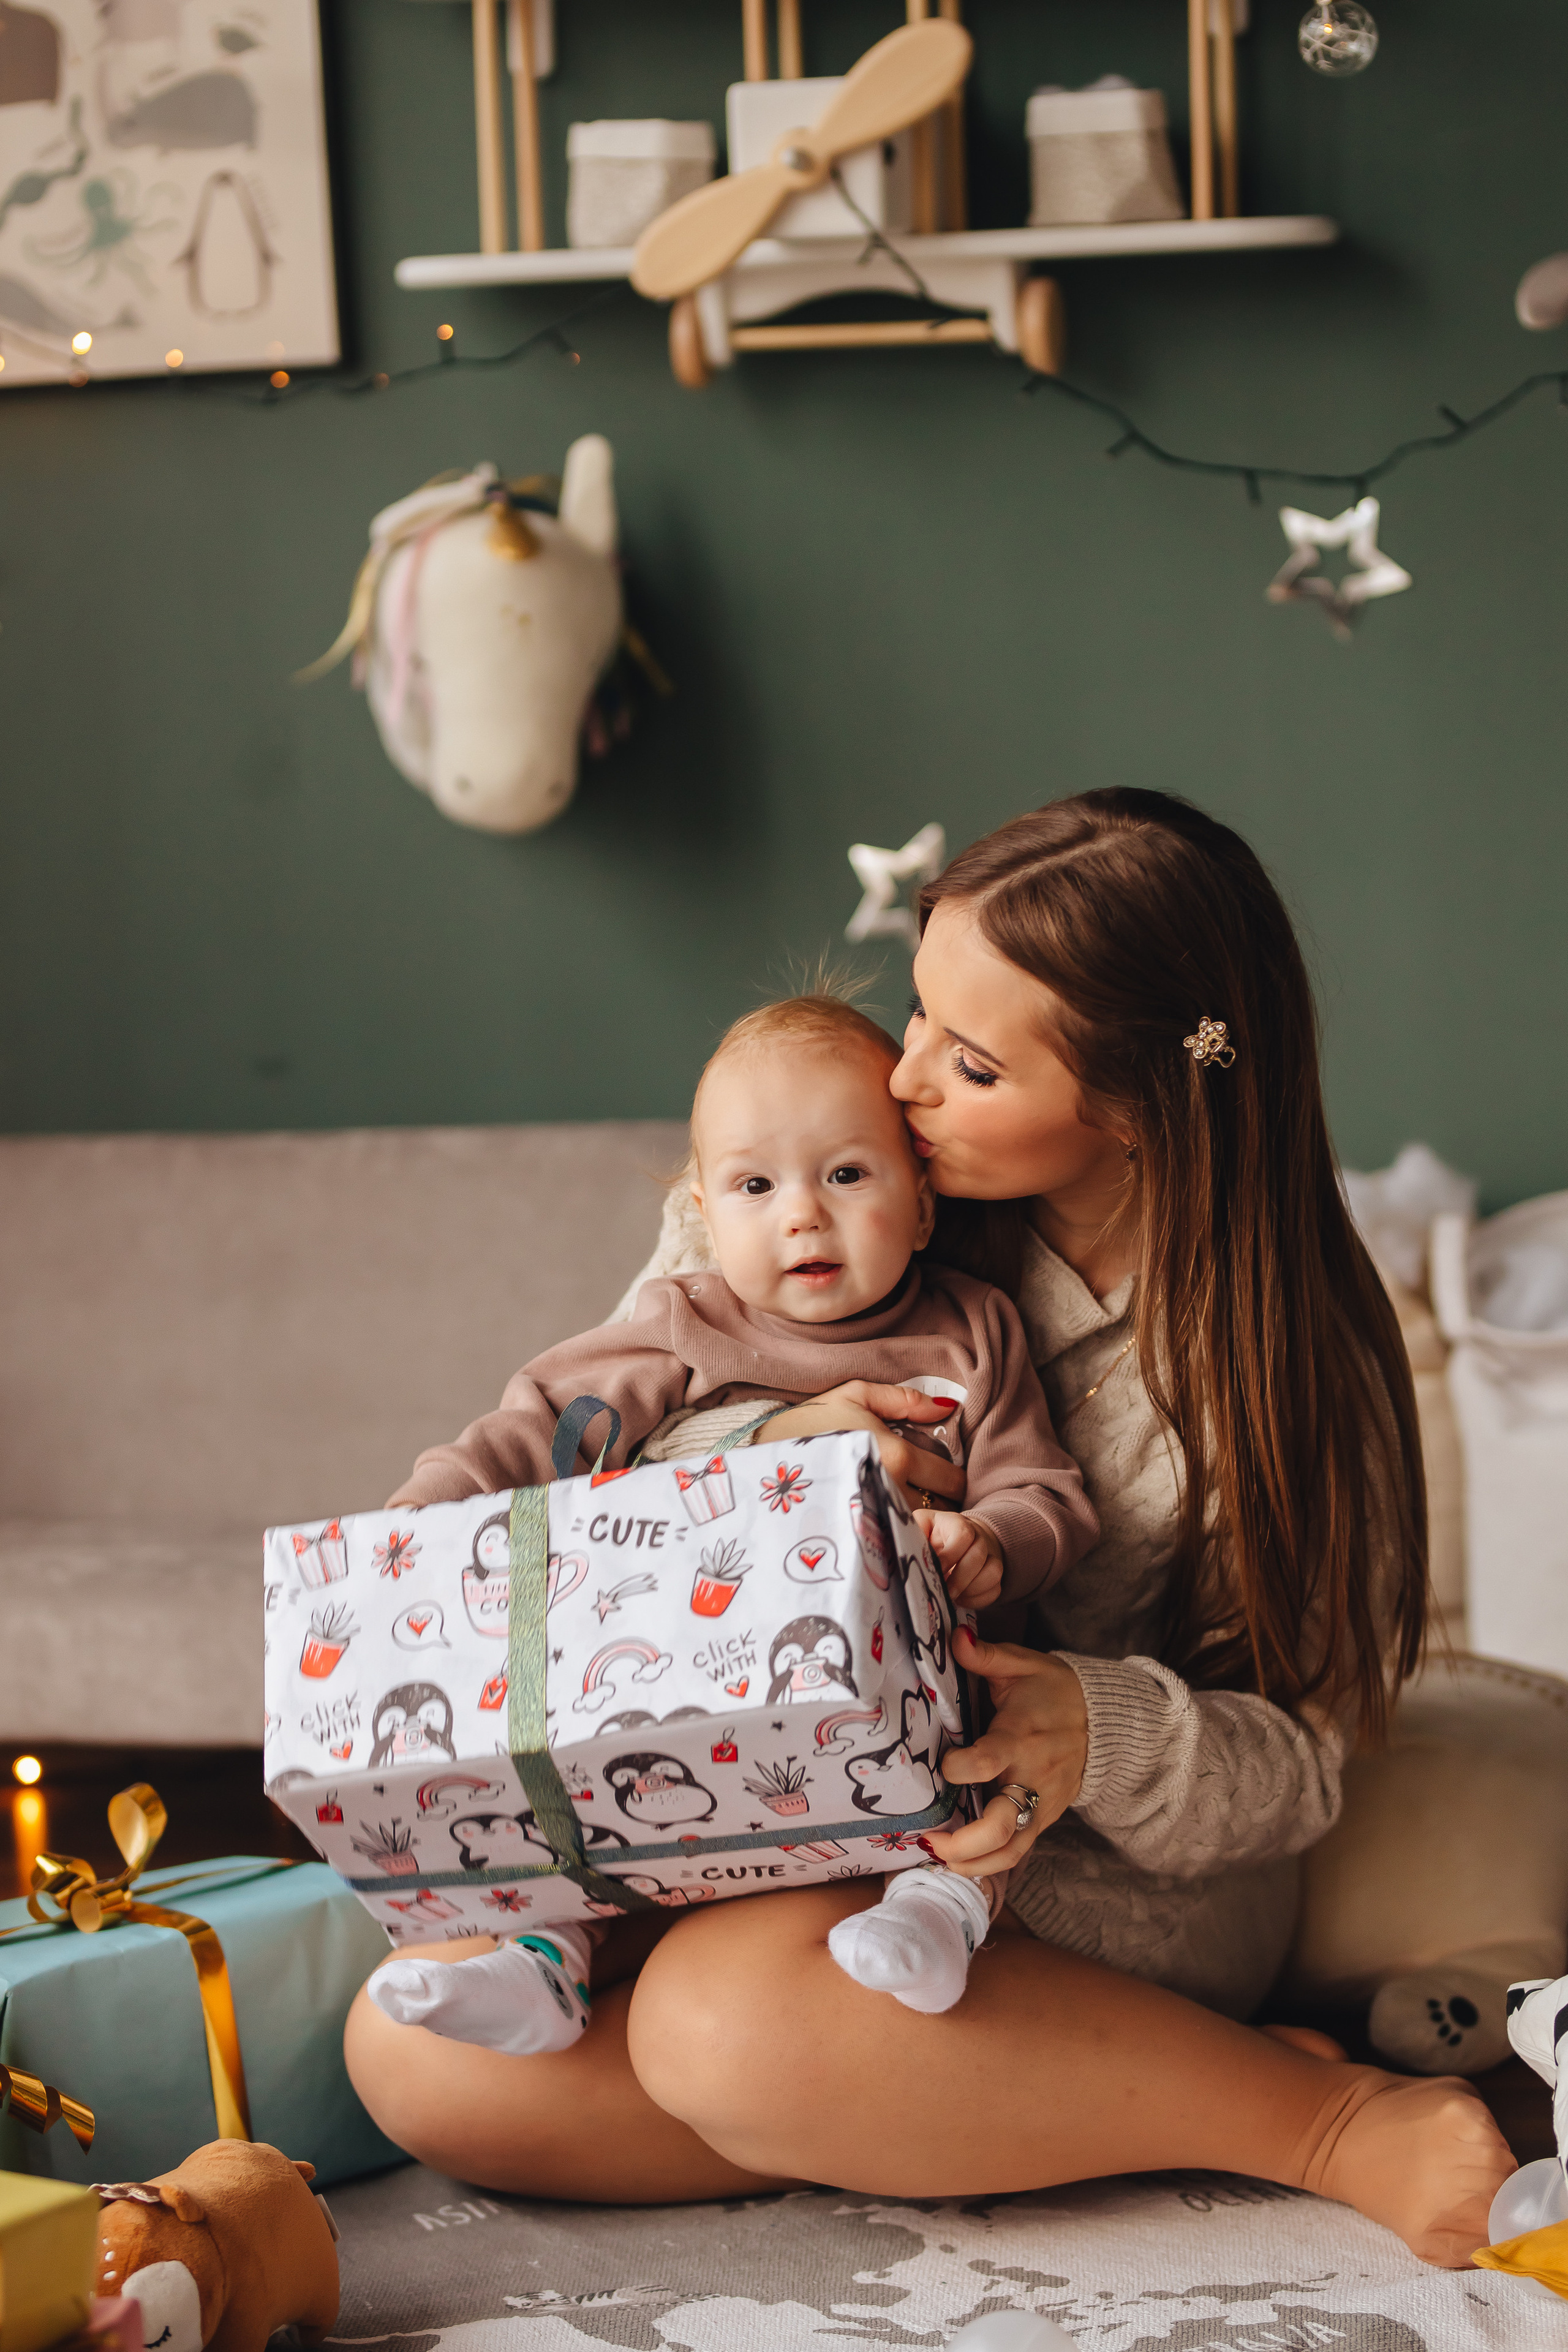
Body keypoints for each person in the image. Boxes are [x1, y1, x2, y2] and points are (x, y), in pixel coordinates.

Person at [345, 789, 1515, 2269]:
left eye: (965, 1063)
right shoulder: (822, 1164)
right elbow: (598, 1453)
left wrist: (1095, 1731)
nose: (896, 1081)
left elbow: (1300, 1770)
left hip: (1065, 1856)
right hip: (764, 1796)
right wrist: (760, 1455)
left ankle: (1319, 2119)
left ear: (1142, 1100)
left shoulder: (1293, 1356)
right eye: (915, 1016)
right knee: (421, 2065)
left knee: (723, 2021)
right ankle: (948, 2099)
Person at [364, 990, 1095, 2054]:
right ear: (707, 1212)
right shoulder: (683, 1325)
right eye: (757, 1186)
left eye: (847, 1175)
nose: (803, 1214)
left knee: (980, 1760)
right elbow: (533, 1430)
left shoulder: (972, 1329)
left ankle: (935, 1921)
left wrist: (996, 1537)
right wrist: (427, 1514)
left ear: (924, 1203)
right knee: (586, 1772)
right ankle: (541, 1964)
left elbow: (1049, 1491)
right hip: (695, 1666)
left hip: (917, 1685)